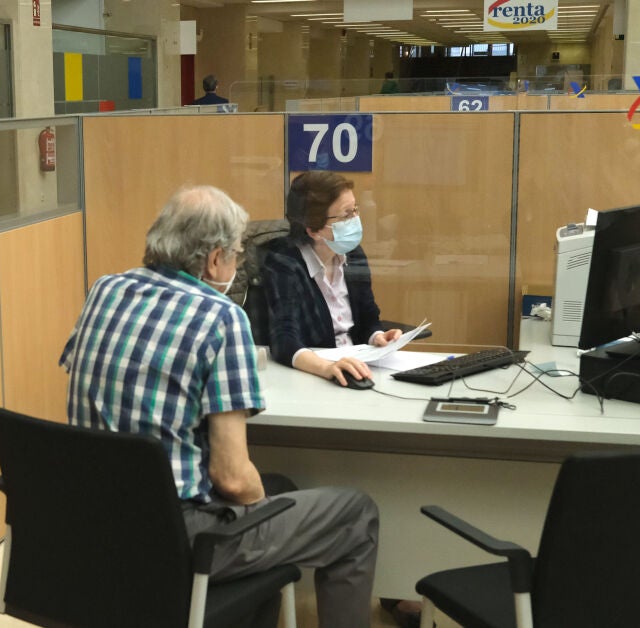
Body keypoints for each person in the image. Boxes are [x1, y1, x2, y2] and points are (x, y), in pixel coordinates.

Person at [60, 186, 379, 628]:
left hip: (95, 522)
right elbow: (232, 478)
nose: (237, 265)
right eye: (236, 256)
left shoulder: (105, 290)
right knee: (355, 514)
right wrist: (258, 512)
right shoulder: (220, 317)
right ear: (214, 260)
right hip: (176, 536)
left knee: (281, 487)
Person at [261, 172, 402, 388]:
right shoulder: (284, 263)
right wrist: (327, 368)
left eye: (355, 210)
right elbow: (284, 340)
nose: (355, 219)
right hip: (310, 379)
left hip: (359, 368)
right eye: (346, 215)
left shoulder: (353, 255)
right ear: (314, 230)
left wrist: (377, 336)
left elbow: (368, 317)